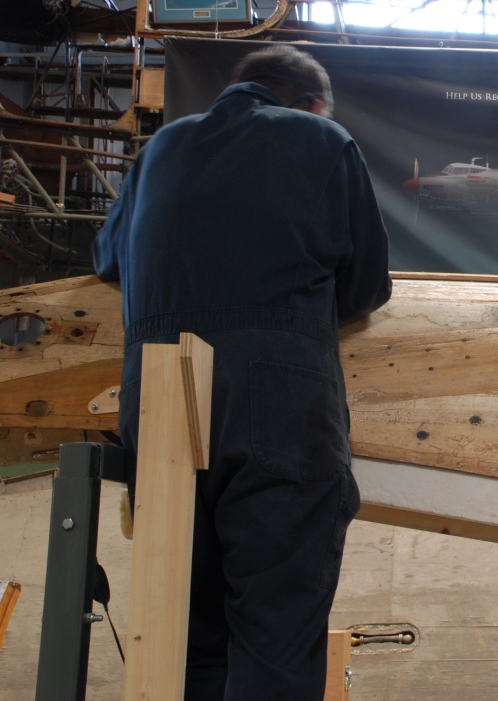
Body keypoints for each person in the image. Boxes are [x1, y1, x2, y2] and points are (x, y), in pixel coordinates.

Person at [92, 44, 392, 700]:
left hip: (155, 398)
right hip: (276, 397)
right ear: (311, 103)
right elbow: (367, 286)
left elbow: (107, 259)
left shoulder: (160, 150)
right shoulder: (322, 140)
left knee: (188, 636)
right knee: (275, 636)